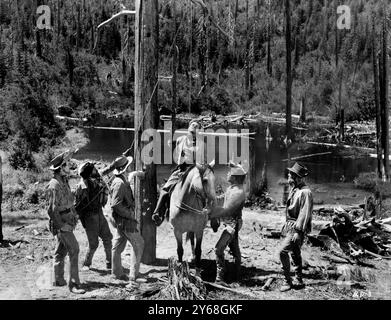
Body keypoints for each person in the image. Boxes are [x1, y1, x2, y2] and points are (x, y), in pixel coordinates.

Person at [46, 151, 85, 294]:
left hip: (67, 221)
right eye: (66, 164)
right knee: (74, 249)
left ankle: (58, 279)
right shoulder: (54, 185)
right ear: (61, 168)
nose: (69, 166)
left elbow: (67, 202)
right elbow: (51, 210)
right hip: (62, 224)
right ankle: (73, 284)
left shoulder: (64, 181)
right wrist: (61, 226)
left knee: (61, 251)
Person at [152, 121, 201, 226]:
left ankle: (207, 216)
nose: (194, 127)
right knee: (165, 189)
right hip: (180, 169)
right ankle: (158, 214)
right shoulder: (181, 139)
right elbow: (170, 143)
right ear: (188, 128)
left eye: (197, 127)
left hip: (193, 171)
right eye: (193, 125)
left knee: (204, 190)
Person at [109, 155, 146, 289]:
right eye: (128, 165)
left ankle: (116, 273)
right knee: (139, 243)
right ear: (125, 168)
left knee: (118, 246)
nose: (130, 166)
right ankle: (133, 277)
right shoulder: (119, 183)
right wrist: (130, 214)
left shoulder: (119, 180)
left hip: (120, 220)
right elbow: (116, 204)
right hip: (125, 220)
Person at [208, 162, 246, 284]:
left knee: (218, 249)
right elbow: (223, 198)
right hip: (230, 223)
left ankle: (220, 277)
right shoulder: (232, 188)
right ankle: (237, 275)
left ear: (234, 177)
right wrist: (213, 197)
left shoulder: (238, 193)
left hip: (233, 224)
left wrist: (210, 214)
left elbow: (227, 210)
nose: (227, 174)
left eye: (229, 173)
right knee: (234, 249)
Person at [278, 162, 313, 292]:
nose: (288, 175)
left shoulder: (305, 192)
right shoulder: (295, 189)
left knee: (283, 252)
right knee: (294, 252)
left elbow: (305, 213)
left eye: (291, 174)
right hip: (289, 225)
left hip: (296, 228)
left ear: (298, 177)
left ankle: (287, 281)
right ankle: (298, 278)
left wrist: (298, 232)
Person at [74, 162, 113, 271]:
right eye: (93, 169)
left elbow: (107, 170)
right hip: (90, 217)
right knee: (93, 244)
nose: (96, 170)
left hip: (99, 213)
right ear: (90, 172)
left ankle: (109, 262)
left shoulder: (96, 180)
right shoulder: (81, 187)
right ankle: (87, 263)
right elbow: (78, 206)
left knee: (108, 238)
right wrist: (83, 221)